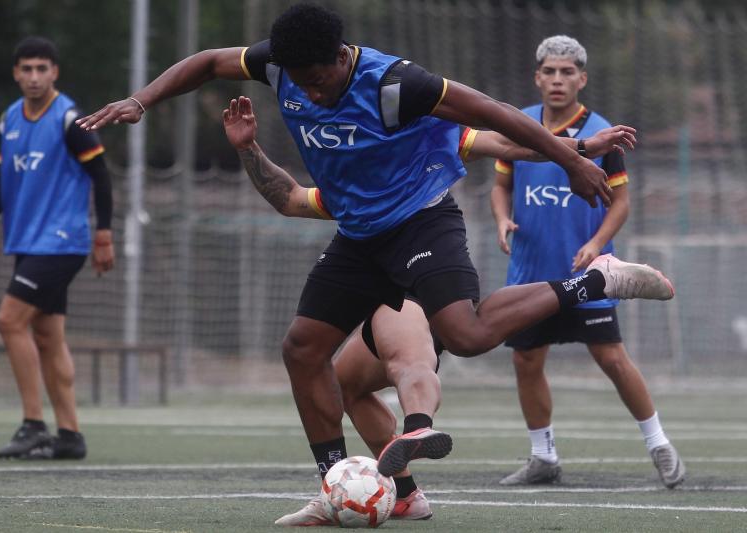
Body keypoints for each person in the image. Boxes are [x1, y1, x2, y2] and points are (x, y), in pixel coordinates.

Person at [77, 3, 673, 524]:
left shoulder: (396, 84)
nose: (309, 94)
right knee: (302, 349)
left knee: (463, 335)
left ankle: (595, 279)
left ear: (341, 57)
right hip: (359, 236)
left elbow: (495, 117)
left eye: (319, 81)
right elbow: (208, 61)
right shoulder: (280, 63)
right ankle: (337, 484)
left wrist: (571, 158)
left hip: (421, 220)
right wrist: (140, 100)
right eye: (300, 85)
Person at [221, 95, 638, 522]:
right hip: (371, 266)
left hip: (426, 253)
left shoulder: (427, 135)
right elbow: (290, 199)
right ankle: (393, 492)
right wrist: (247, 148)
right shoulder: (354, 186)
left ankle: (420, 422)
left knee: (417, 350)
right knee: (345, 381)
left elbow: (511, 144)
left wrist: (584, 147)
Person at [490, 35, 685, 489]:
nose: (558, 80)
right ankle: (543, 458)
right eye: (550, 72)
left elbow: (621, 203)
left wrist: (598, 242)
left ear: (582, 78)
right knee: (526, 361)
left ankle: (659, 445)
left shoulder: (602, 132)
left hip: (588, 276)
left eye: (567, 72)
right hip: (530, 274)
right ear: (537, 77)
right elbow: (501, 183)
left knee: (612, 358)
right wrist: (501, 218)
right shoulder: (518, 124)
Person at [0, 36, 114, 460]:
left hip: (61, 242)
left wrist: (104, 234)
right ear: (16, 73)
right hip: (26, 242)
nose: (33, 76)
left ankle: (32, 423)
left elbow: (101, 176)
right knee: (47, 334)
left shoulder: (69, 120)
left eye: (41, 68)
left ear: (54, 72)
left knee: (9, 321)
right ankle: (70, 435)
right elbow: (0, 182)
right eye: (26, 69)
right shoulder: (10, 118)